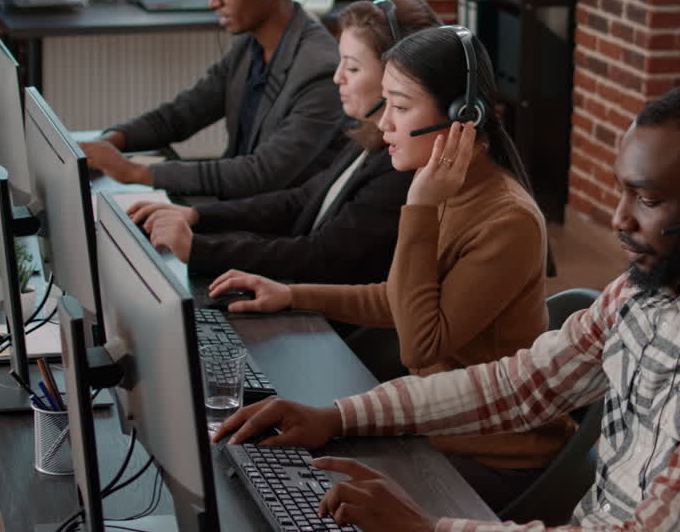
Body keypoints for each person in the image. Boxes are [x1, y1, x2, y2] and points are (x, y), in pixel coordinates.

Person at [213, 80, 680, 532]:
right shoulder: (648, 290)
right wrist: (339, 415)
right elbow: (519, 385)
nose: (618, 220)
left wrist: (429, 530)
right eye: (624, 191)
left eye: (647, 199)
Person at [209, 26, 574, 510]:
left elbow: (420, 340)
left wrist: (419, 206)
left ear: (464, 116)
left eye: (401, 108)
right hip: (433, 427)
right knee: (267, 470)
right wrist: (293, 294)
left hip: (490, 457)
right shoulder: (449, 185)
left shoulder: (505, 218)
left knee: (310, 495)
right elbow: (403, 298)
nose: (384, 126)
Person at [126, 0, 440, 283]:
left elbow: (322, 256)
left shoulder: (401, 163)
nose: (337, 77)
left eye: (353, 68)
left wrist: (199, 250)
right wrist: (198, 215)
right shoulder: (370, 136)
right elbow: (301, 199)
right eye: (341, 61)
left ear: (396, 75)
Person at [79, 0, 343, 198]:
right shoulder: (249, 47)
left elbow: (263, 173)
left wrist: (136, 173)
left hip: (276, 225)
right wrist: (107, 144)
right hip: (239, 207)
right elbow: (182, 115)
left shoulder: (320, 70)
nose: (212, 2)